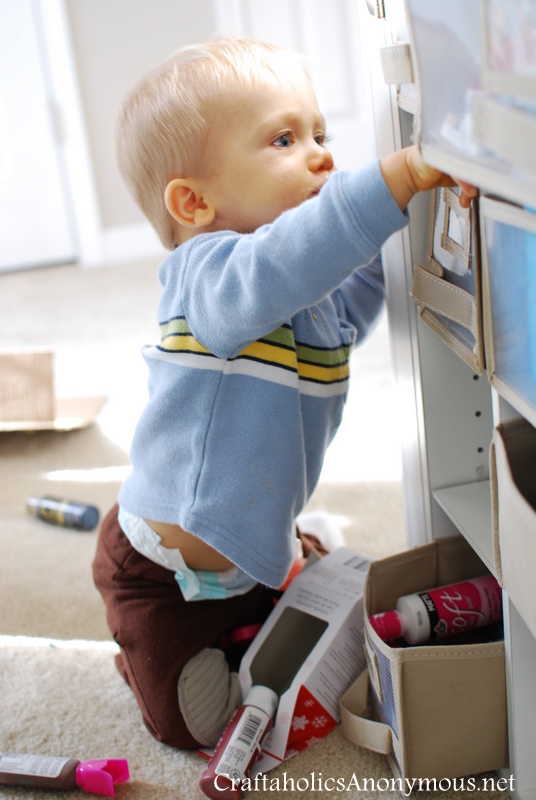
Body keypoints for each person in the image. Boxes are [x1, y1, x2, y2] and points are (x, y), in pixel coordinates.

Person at [92, 35, 476, 751]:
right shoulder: (210, 276)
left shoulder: (295, 285)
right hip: (164, 571)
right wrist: (395, 177)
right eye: (284, 139)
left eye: (320, 135)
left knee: (314, 612)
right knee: (199, 723)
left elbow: (347, 285)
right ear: (194, 202)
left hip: (249, 550)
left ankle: (269, 576)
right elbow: (289, 260)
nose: (322, 156)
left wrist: (415, 213)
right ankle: (140, 651)